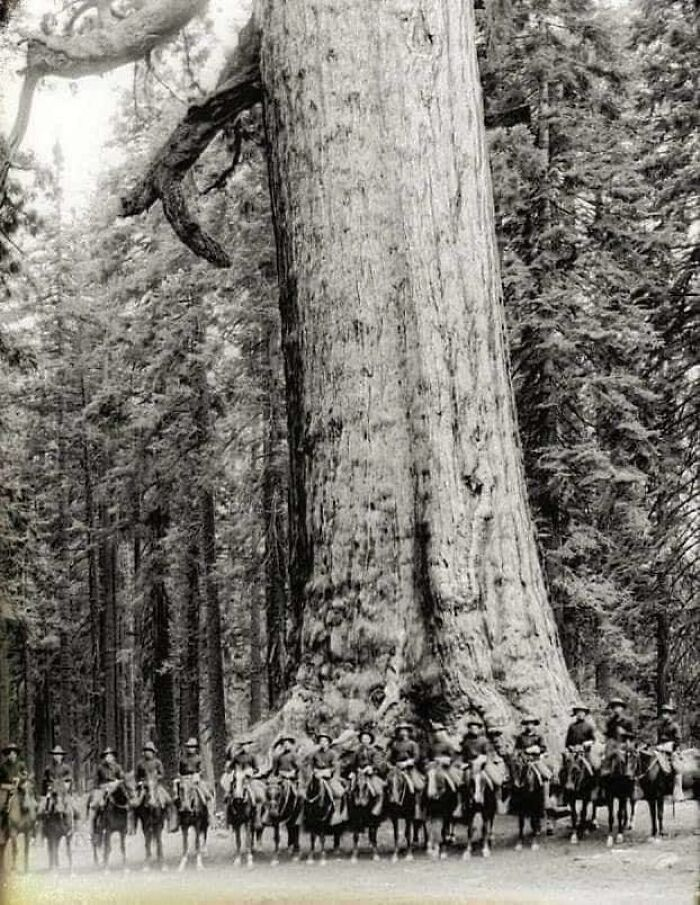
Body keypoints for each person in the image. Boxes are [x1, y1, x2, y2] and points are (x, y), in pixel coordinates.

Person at [386, 722, 425, 818]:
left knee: (417, 785)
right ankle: (388, 805)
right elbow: (388, 758)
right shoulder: (395, 744)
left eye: (405, 730)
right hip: (397, 768)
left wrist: (407, 763)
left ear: (408, 732)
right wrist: (390, 765)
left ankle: (417, 807)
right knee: (387, 782)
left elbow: (416, 757)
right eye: (401, 730)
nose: (403, 732)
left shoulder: (413, 744)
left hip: (410, 768)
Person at [308, 731, 347, 825]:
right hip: (317, 776)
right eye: (321, 741)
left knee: (339, 793)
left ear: (328, 743)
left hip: (329, 777)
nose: (323, 743)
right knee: (306, 791)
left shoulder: (333, 753)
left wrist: (328, 771)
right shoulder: (315, 754)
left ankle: (337, 814)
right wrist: (314, 771)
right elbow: (310, 765)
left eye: (325, 741)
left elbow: (335, 766)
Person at [346, 728, 384, 817]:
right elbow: (353, 763)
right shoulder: (357, 751)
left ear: (370, 740)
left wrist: (371, 767)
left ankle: (378, 808)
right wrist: (353, 771)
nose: (365, 741)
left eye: (367, 739)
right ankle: (350, 812)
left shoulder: (374, 751)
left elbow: (377, 763)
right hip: (359, 773)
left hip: (370, 773)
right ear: (361, 740)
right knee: (349, 790)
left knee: (378, 790)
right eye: (363, 739)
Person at [562, 705, 597, 791]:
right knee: (564, 768)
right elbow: (567, 742)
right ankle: (565, 787)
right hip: (573, 752)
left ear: (585, 714)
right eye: (578, 712)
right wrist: (571, 747)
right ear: (576, 714)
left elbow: (593, 740)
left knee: (594, 767)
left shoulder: (589, 726)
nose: (580, 714)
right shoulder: (572, 726)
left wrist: (586, 743)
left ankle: (595, 789)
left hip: (585, 752)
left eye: (582, 712)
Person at [655, 704, 683, 801]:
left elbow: (678, 740)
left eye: (666, 713)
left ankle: (678, 792)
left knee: (676, 767)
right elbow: (658, 740)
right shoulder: (660, 727)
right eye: (663, 713)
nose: (664, 715)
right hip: (660, 748)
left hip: (673, 748)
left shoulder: (675, 726)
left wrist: (669, 746)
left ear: (670, 715)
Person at [175, 737, 212, 808]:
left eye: (192, 747)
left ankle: (208, 810)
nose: (190, 749)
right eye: (189, 747)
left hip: (195, 779)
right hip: (185, 779)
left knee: (205, 792)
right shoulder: (182, 759)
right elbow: (180, 770)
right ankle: (178, 804)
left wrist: (197, 774)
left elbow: (202, 769)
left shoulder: (199, 758)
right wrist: (180, 776)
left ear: (195, 748)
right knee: (178, 788)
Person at [460, 716, 490, 805]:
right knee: (461, 781)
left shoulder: (484, 741)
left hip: (481, 764)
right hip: (469, 764)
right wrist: (464, 762)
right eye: (472, 727)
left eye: (476, 727)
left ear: (479, 729)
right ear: (469, 729)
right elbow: (463, 754)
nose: (474, 729)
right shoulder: (466, 741)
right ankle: (461, 802)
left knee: (488, 779)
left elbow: (487, 754)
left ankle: (481, 795)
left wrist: (481, 760)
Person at [0, 743, 28, 835]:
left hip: (19, 787)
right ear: (7, 755)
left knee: (28, 802)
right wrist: (6, 786)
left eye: (13, 753)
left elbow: (25, 775)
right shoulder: (3, 767)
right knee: (4, 804)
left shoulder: (21, 765)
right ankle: (4, 824)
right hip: (7, 789)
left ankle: (29, 822)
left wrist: (20, 779)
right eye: (9, 753)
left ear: (16, 754)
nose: (12, 755)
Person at [602, 697, 635, 774]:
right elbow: (608, 735)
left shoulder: (628, 721)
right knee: (603, 756)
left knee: (630, 755)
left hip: (624, 743)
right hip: (612, 744)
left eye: (618, 707)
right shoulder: (610, 722)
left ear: (622, 708)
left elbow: (632, 735)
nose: (615, 709)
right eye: (613, 707)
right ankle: (604, 772)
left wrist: (624, 733)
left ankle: (630, 773)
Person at [134, 741, 171, 808]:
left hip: (155, 784)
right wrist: (139, 782)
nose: (147, 753)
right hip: (144, 785)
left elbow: (162, 774)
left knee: (167, 799)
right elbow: (136, 775)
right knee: (136, 802)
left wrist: (156, 778)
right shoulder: (140, 763)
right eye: (146, 750)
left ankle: (168, 815)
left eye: (150, 751)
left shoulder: (157, 762)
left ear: (153, 753)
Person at [39, 745, 73, 815]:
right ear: (53, 756)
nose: (57, 756)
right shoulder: (48, 768)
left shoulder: (66, 768)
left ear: (62, 756)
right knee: (44, 806)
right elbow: (44, 781)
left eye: (59, 755)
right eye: (55, 755)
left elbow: (69, 779)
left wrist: (67, 786)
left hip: (63, 790)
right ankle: (42, 820)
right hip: (51, 790)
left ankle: (73, 823)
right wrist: (46, 789)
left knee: (71, 807)